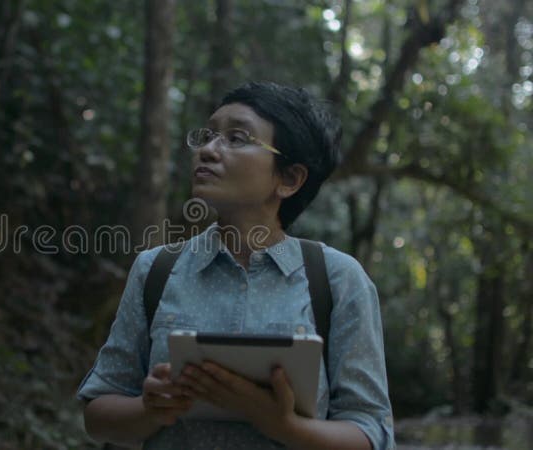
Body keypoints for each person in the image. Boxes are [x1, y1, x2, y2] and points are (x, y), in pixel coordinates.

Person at [76, 81, 395, 449]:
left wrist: (283, 425)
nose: (208, 150)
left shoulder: (338, 280)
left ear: (289, 179)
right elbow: (97, 414)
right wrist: (150, 409)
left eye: (237, 138)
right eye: (208, 136)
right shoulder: (155, 270)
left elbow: (373, 433)